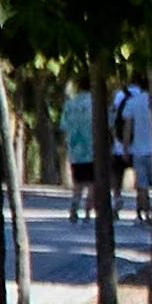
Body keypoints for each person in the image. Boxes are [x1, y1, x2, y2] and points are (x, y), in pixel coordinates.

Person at [114, 75, 152, 222]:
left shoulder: (133, 102)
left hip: (139, 150)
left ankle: (145, 214)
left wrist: (126, 148)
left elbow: (128, 127)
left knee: (141, 185)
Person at [58, 85, 100, 221]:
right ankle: (88, 212)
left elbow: (64, 125)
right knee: (92, 183)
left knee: (78, 182)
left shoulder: (70, 104)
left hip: (75, 149)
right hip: (93, 149)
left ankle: (74, 207)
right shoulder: (96, 103)